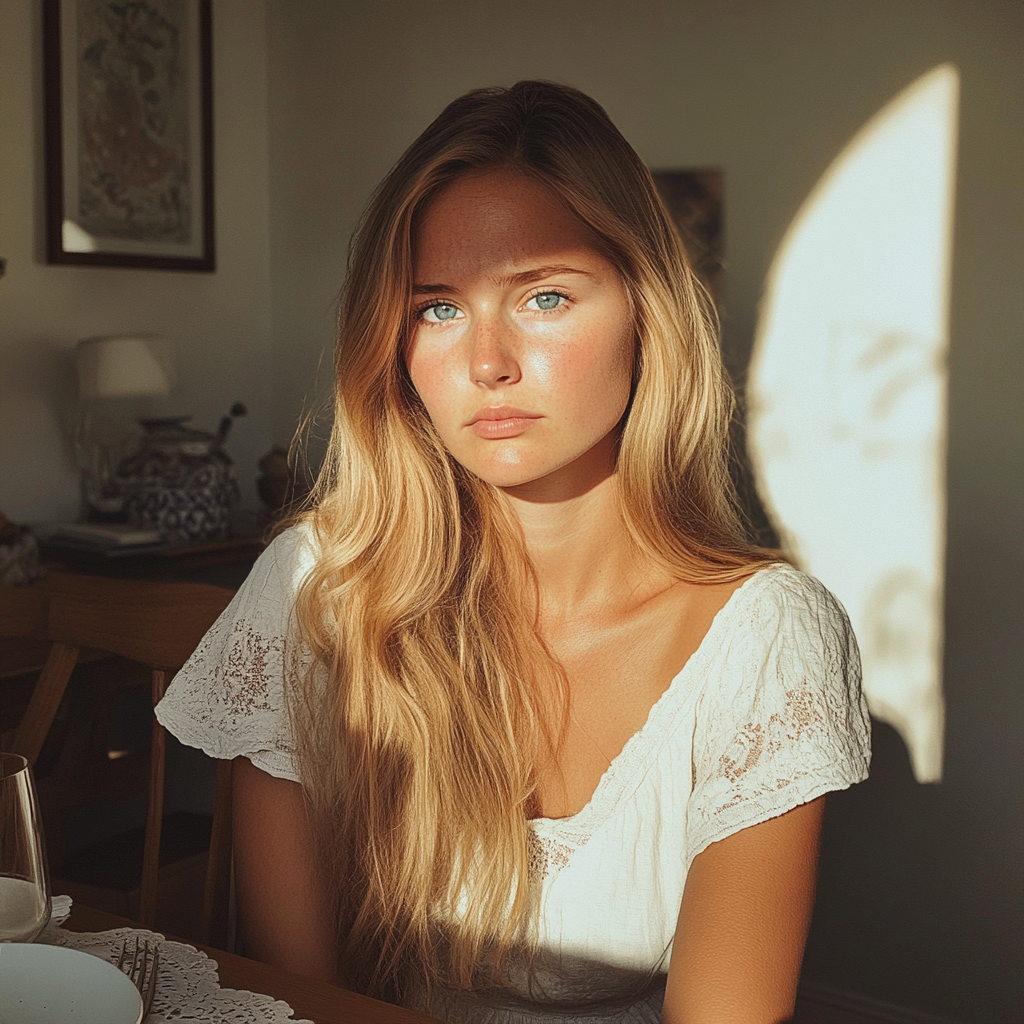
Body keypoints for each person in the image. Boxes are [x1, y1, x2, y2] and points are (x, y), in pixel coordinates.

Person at [156, 81, 870, 1023]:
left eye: (542, 295)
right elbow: (304, 998)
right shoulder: (317, 590)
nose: (487, 361)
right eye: (438, 309)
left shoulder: (765, 637)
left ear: (646, 311)